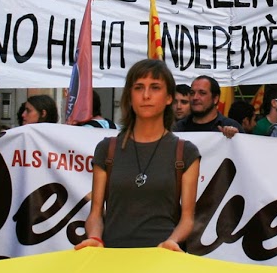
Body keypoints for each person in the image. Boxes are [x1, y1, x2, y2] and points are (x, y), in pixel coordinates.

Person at [77, 59, 200, 251]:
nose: (146, 95)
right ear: (129, 96)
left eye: (155, 87)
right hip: (113, 258)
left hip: (162, 262)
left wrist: (172, 242)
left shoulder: (186, 153)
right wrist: (95, 238)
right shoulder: (107, 149)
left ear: (169, 98)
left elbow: (187, 219)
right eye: (139, 87)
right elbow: (95, 214)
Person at [173, 75, 240, 136]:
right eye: (192, 93)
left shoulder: (231, 126)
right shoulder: (178, 128)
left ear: (215, 99)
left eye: (202, 93)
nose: (195, 97)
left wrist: (236, 137)